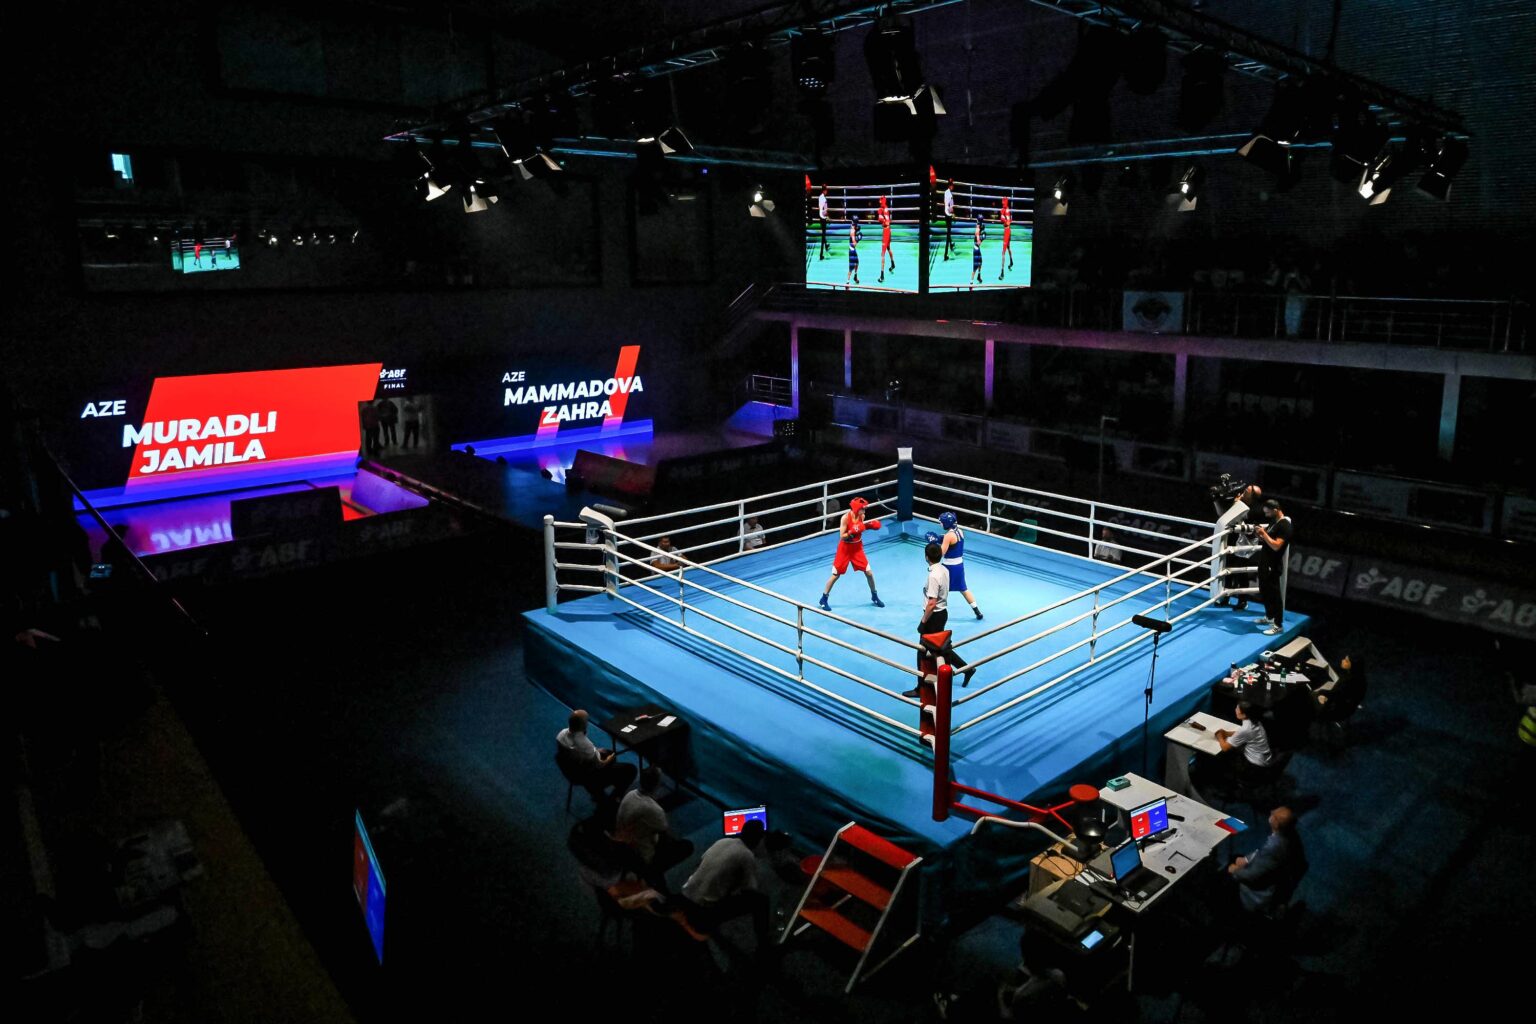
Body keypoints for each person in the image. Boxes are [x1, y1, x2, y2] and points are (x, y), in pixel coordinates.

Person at [678, 818, 771, 949]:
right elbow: (750, 889)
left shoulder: (722, 841)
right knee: (761, 901)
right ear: (758, 839)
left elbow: (700, 862)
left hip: (686, 895)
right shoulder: (746, 855)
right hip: (704, 908)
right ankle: (764, 944)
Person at [902, 541, 973, 696]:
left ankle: (921, 688)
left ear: (926, 557)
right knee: (940, 648)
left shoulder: (934, 575)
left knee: (922, 651)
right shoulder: (944, 569)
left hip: (933, 617)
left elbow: (931, 603)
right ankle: (966, 669)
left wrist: (923, 621)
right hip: (942, 614)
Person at [614, 767, 694, 890]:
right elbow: (664, 830)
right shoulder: (655, 810)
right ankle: (654, 874)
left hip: (623, 845)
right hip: (641, 853)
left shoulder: (630, 794)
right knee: (686, 846)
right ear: (657, 784)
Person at [1227, 806, 1306, 916]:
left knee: (1225, 877)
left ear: (1276, 824)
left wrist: (1235, 871)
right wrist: (1246, 859)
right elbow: (1261, 853)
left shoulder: (1274, 847)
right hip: (1279, 878)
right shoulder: (1289, 835)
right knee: (1237, 857)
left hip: (1259, 894)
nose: (1271, 811)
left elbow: (1252, 876)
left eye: (1274, 815)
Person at [819, 496, 883, 610]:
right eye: (862, 508)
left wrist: (868, 526)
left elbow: (860, 528)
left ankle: (874, 596)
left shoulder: (862, 516)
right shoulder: (845, 518)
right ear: (856, 508)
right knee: (836, 575)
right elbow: (842, 536)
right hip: (845, 549)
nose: (864, 510)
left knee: (869, 573)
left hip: (857, 548)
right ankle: (823, 599)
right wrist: (851, 532)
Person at [556, 710, 637, 799]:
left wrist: (595, 751)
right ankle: (610, 799)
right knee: (631, 769)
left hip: (571, 768)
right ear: (583, 725)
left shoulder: (561, 735)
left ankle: (598, 792)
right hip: (587, 774)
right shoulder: (585, 745)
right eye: (587, 721)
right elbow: (600, 764)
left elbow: (578, 751)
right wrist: (609, 758)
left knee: (607, 752)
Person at [1217, 483, 1262, 612]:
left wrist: (1237, 505)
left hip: (1245, 544)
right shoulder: (1238, 502)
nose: (1243, 491)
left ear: (1252, 496)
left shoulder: (1255, 509)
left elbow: (1245, 519)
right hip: (1233, 540)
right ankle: (1225, 596)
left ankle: (1243, 601)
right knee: (1227, 570)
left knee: (1241, 572)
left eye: (1247, 491)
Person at [1209, 702, 1274, 791]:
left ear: (1244, 715)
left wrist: (1220, 736)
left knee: (1223, 756)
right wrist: (1227, 733)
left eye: (1237, 709)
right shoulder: (1255, 720)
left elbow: (1225, 748)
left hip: (1254, 765)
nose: (1235, 710)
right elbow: (1244, 734)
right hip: (1264, 758)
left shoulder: (1246, 728)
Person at [1253, 498, 1293, 636]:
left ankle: (1278, 625)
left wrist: (1264, 534)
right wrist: (1261, 535)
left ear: (1275, 510)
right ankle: (1269, 617)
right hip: (1265, 562)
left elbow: (1276, 546)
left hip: (1273, 564)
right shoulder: (1273, 522)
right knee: (1264, 591)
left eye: (1268, 512)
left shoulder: (1285, 525)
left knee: (1274, 595)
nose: (1266, 515)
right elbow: (1269, 541)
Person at [932, 511, 982, 619]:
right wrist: (940, 538)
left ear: (946, 523)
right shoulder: (959, 531)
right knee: (963, 589)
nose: (940, 524)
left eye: (941, 522)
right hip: (959, 565)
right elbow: (953, 542)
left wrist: (934, 543)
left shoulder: (948, 536)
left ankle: (935, 611)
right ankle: (977, 611)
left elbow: (941, 553)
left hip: (948, 567)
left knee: (939, 589)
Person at [877, 194, 896, 283]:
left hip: (886, 231)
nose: (879, 201)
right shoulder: (886, 208)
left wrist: (881, 218)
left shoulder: (882, 210)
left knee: (883, 254)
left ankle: (882, 276)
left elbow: (881, 220)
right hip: (889, 230)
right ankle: (892, 263)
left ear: (883, 201)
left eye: (880, 200)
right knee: (888, 248)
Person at [997, 195, 1015, 280]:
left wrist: (1004, 219)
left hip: (1007, 231)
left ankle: (1002, 272)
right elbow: (1009, 221)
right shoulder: (1006, 209)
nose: (1002, 202)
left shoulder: (1005, 210)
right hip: (1008, 230)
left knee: (1003, 252)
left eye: (1003, 201)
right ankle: (1011, 261)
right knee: (1008, 247)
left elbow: (1007, 222)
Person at [969, 213, 987, 285]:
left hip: (977, 249)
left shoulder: (979, 227)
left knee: (980, 262)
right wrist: (982, 238)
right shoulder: (977, 229)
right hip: (976, 249)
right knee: (975, 266)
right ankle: (971, 282)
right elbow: (978, 242)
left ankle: (979, 276)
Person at [845, 215, 862, 288]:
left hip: (853, 249)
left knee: (857, 262)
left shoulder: (853, 227)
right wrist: (858, 238)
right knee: (851, 267)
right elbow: (854, 243)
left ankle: (855, 276)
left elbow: (855, 227)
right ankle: (847, 283)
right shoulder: (852, 231)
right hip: (852, 250)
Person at [942, 179, 956, 259]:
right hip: (949, 214)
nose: (953, 186)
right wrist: (953, 214)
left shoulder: (945, 192)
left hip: (945, 212)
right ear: (950, 185)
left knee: (948, 232)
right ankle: (945, 254)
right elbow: (951, 207)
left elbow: (945, 203)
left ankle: (951, 245)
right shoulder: (950, 195)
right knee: (948, 234)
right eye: (952, 185)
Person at [817, 184, 831, 259]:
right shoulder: (825, 199)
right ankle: (821, 254)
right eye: (826, 190)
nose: (827, 191)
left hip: (820, 216)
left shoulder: (820, 197)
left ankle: (826, 246)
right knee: (823, 235)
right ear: (824, 190)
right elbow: (825, 211)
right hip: (823, 217)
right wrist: (827, 217)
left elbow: (819, 207)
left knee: (823, 233)